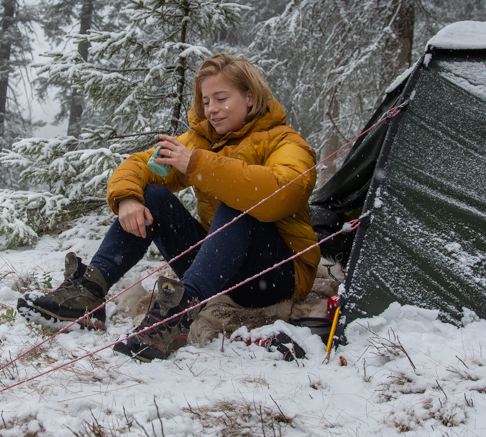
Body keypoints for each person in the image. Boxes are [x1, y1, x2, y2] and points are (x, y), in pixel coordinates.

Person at [17, 54, 319, 361]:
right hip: (218, 270)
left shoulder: (286, 141)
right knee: (152, 195)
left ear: (250, 98)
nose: (211, 109)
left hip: (276, 277)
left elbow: (284, 192)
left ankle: (175, 318)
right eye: (206, 100)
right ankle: (89, 293)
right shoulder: (201, 141)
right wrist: (128, 198)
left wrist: (198, 165)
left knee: (238, 203)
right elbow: (139, 164)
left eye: (221, 98)